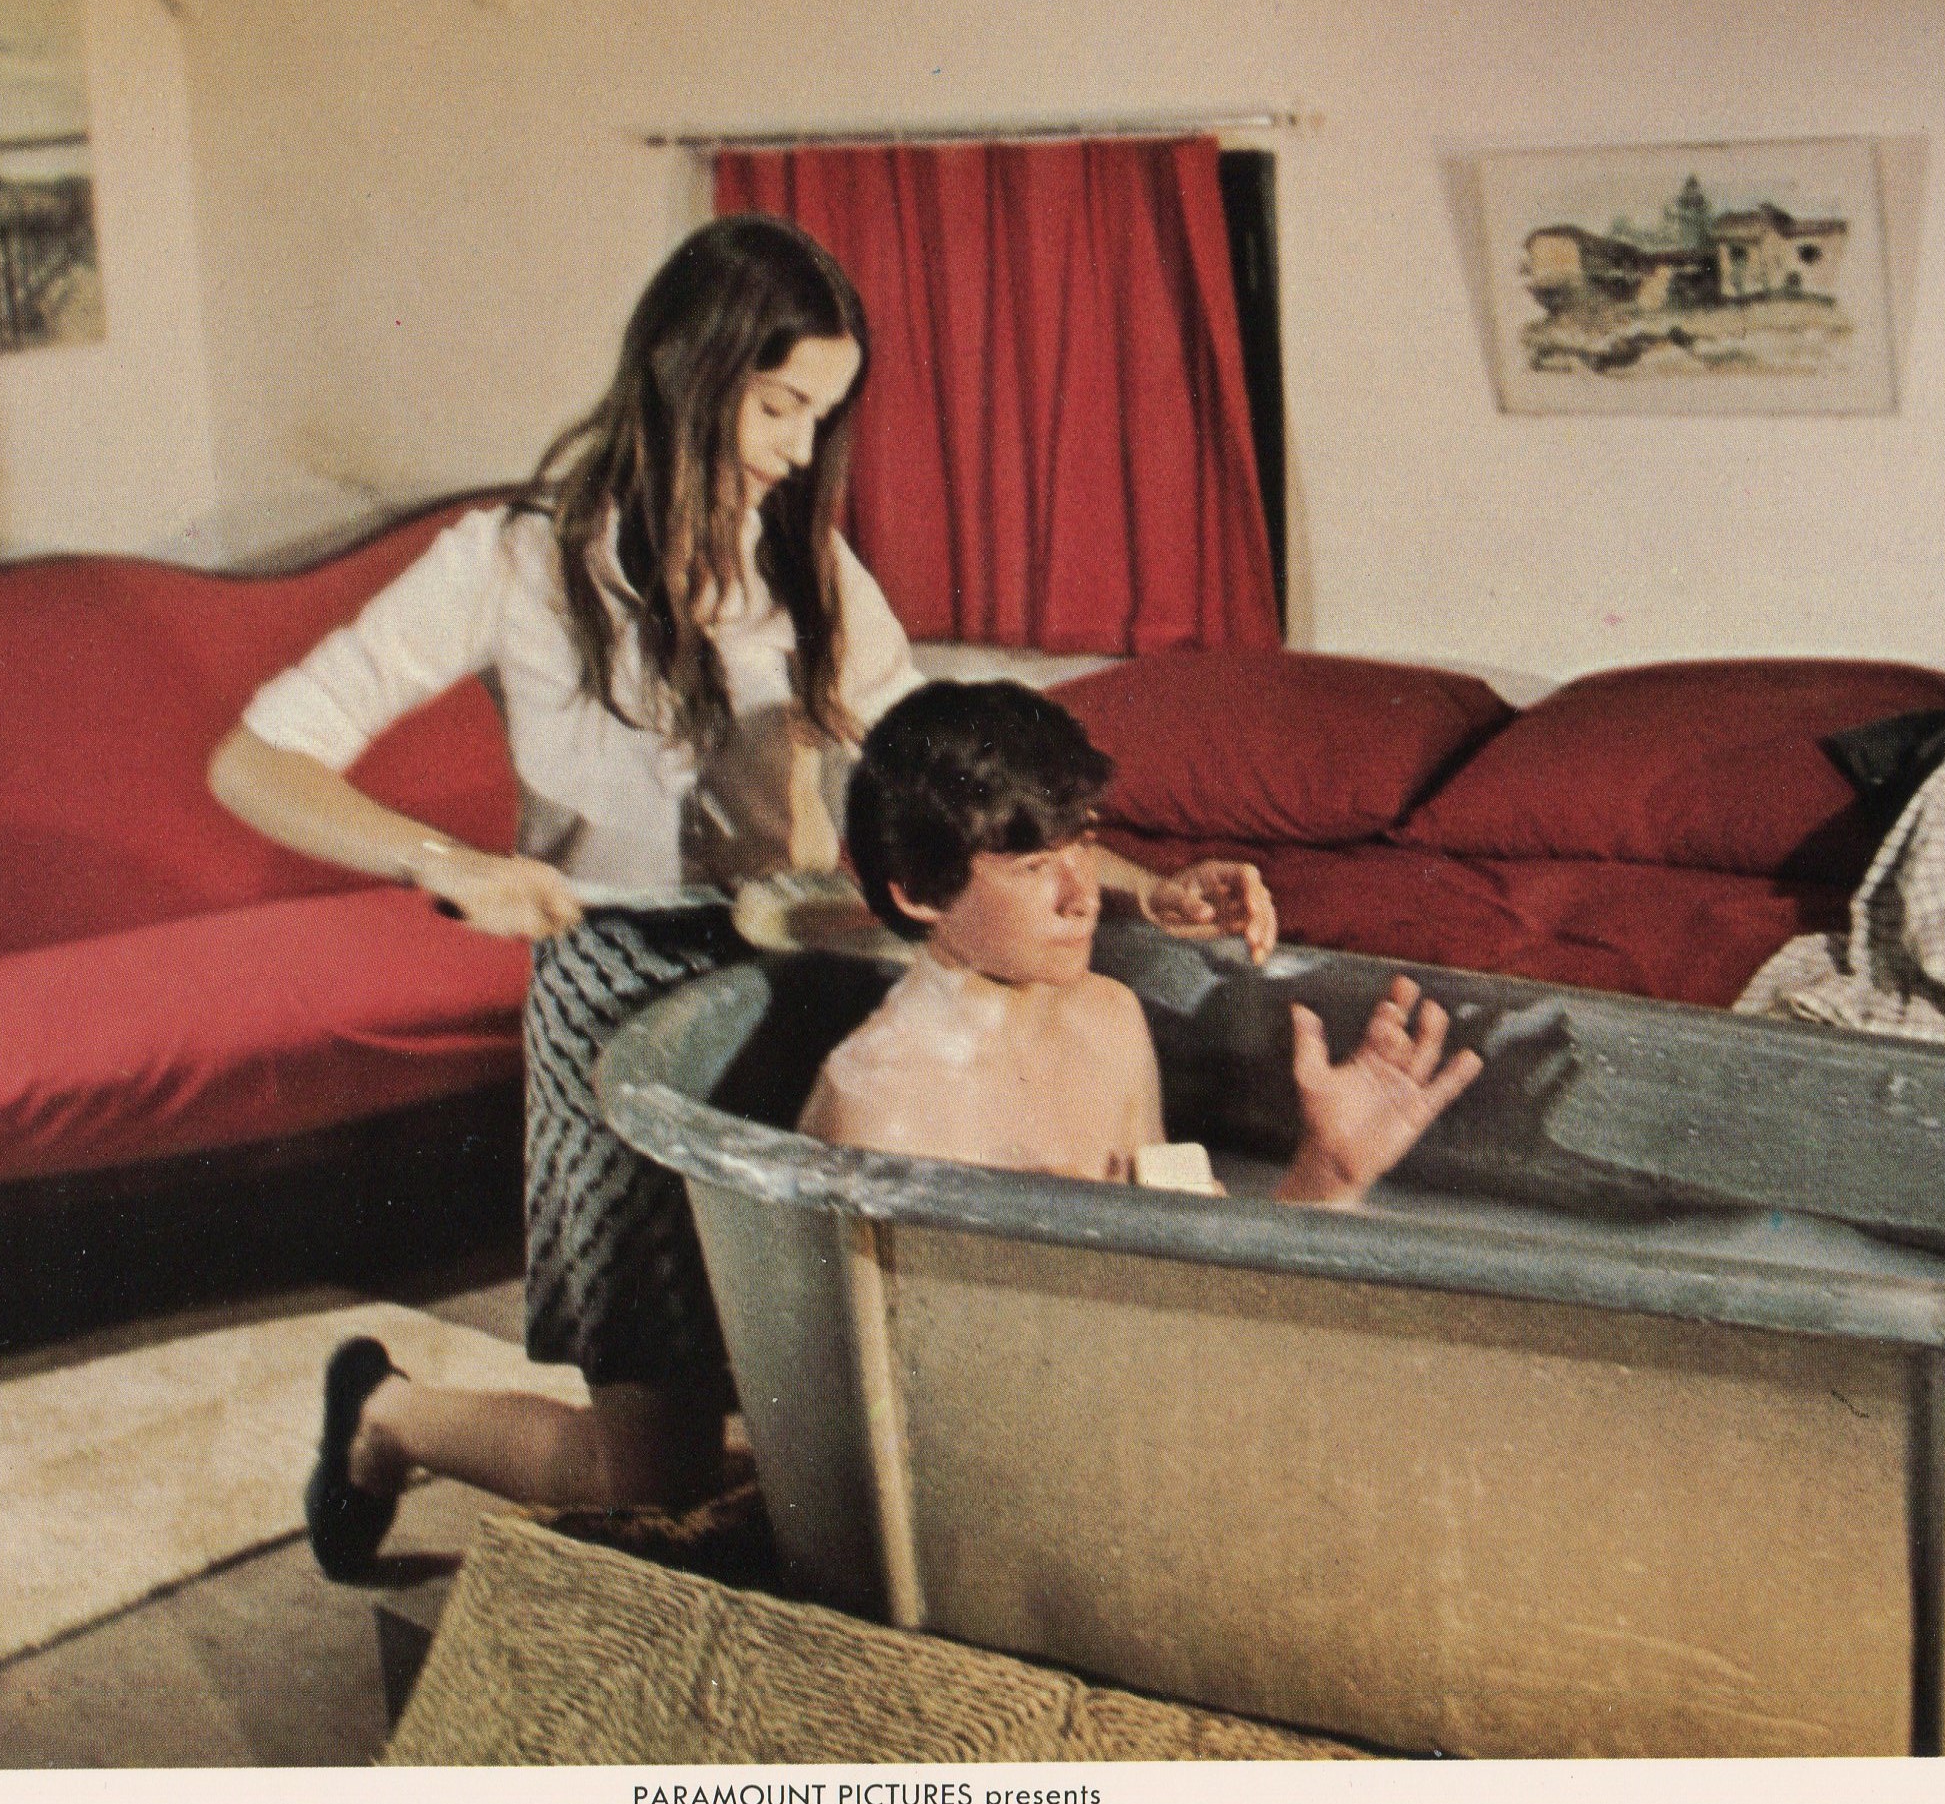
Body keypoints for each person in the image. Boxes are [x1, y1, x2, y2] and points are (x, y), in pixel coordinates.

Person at [206, 215, 1278, 1576]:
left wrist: (1144, 888)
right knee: (647, 1473)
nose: (796, 447)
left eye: (820, 415)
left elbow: (935, 771)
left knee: (831, 1415)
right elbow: (257, 759)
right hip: (616, 995)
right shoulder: (511, 562)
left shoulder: (807, 569)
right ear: (685, 369)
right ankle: (387, 1415)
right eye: (777, 406)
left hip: (790, 969)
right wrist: (446, 860)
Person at [802, 679, 1484, 1205]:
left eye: (1083, 843)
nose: (1082, 895)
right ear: (919, 893)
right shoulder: (877, 1109)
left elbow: (1180, 1299)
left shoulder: (1109, 1020)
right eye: (1033, 867)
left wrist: (1326, 1176)